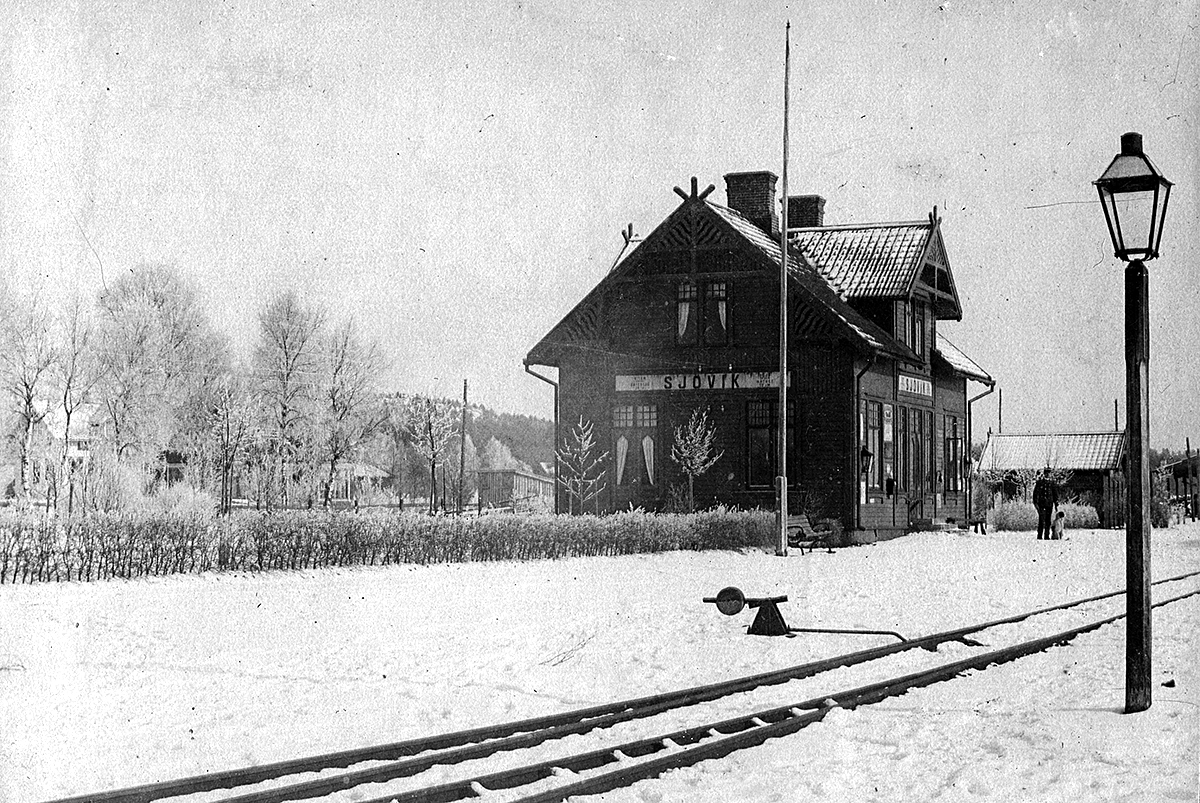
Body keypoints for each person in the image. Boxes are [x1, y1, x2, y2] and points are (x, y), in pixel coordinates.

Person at [1032, 468, 1058, 540]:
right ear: (1044, 474)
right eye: (1046, 473)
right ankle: (1039, 535)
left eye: (1049, 473)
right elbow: (1035, 493)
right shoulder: (1040, 482)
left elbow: (1055, 494)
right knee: (1041, 520)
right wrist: (1036, 503)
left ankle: (1047, 535)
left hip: (1049, 504)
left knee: (1048, 520)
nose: (1047, 475)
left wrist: (1056, 503)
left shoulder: (1052, 483)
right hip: (1042, 504)